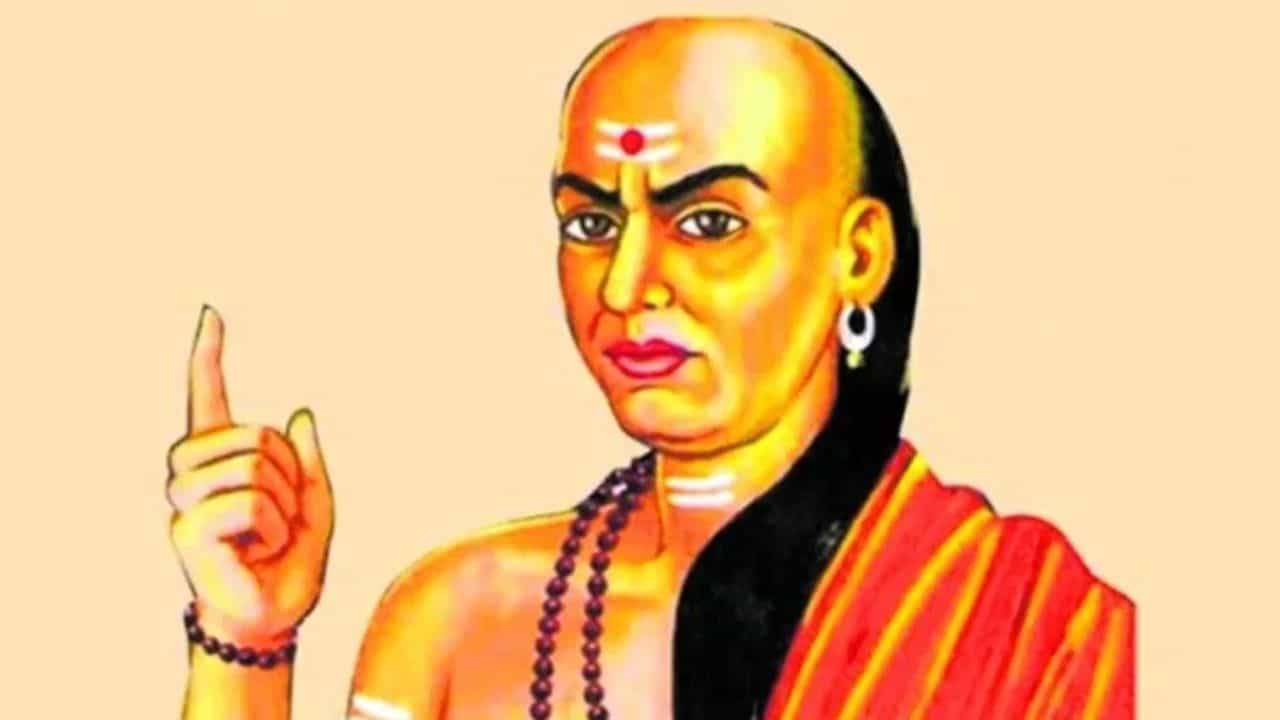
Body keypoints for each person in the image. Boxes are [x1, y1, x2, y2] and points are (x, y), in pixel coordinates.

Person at [166, 16, 1134, 720]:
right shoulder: (456, 616)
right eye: (591, 222)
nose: (625, 284)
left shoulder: (1025, 626)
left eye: (706, 222)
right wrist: (246, 642)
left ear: (858, 254)